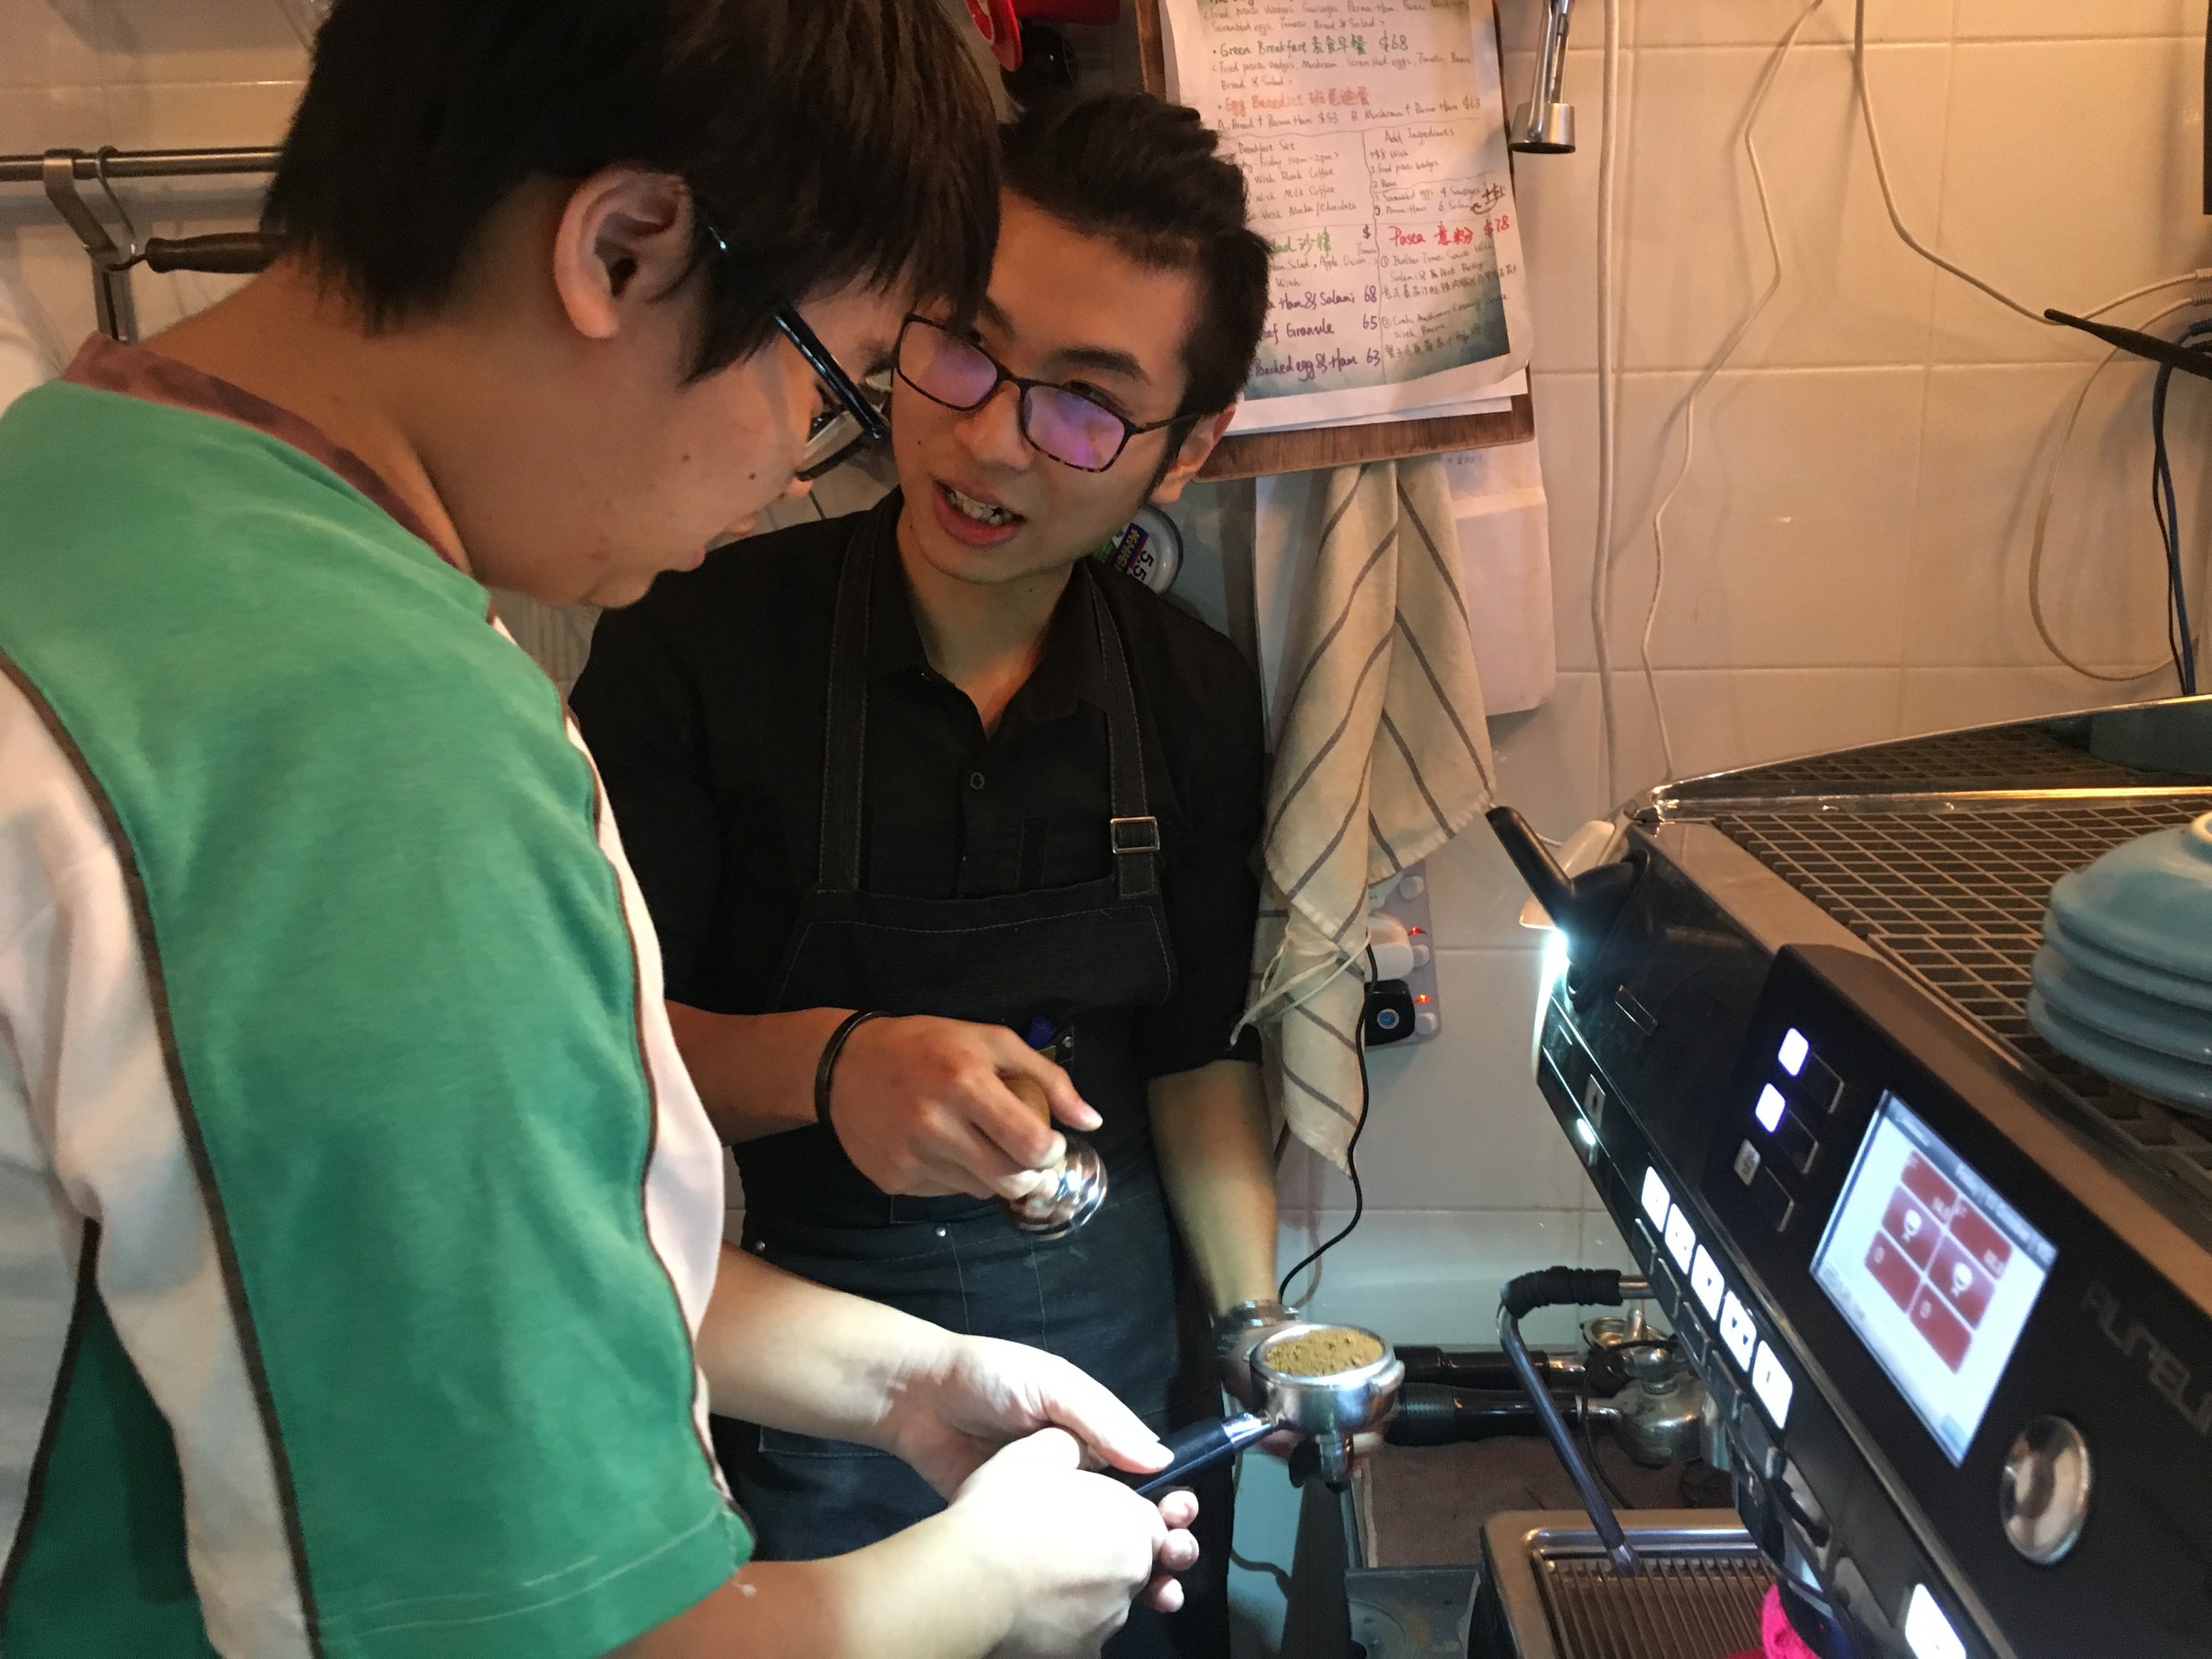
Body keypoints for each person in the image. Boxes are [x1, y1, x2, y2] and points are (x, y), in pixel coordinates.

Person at [0, 5, 1198, 1656]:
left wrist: (908, 1382)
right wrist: (981, 1582)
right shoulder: (361, 741)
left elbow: (440, 1271)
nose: (799, 466)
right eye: (829, 377)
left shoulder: (81, 466)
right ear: (626, 248)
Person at [571, 92, 1280, 1657]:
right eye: (962, 347)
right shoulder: (695, 643)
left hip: (1119, 1357)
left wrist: (1254, 1327)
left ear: (1187, 448)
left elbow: (1198, 1058)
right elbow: (596, 1064)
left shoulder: (1191, 690)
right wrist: (835, 1067)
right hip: (799, 1362)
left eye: (1085, 404)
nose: (990, 436)